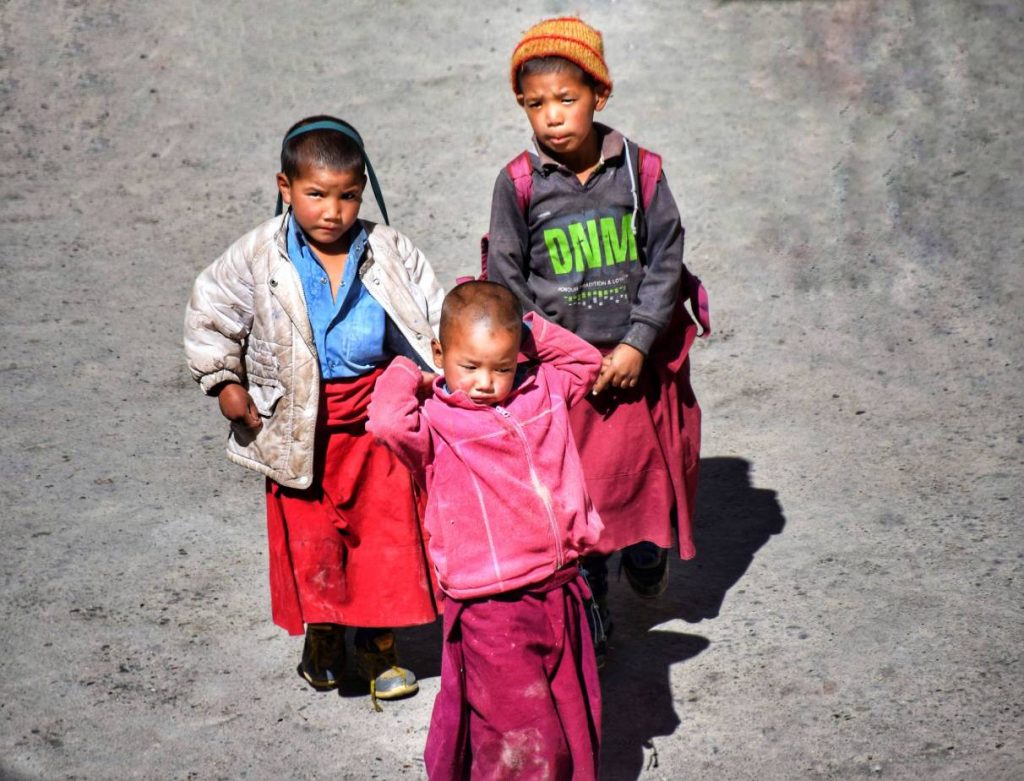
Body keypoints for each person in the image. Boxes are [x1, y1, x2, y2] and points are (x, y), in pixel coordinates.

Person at [184, 115, 444, 707]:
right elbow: (210, 313)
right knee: (315, 543)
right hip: (298, 426)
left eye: (348, 195)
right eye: (316, 194)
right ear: (285, 187)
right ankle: (324, 639)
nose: (333, 210)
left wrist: (444, 379)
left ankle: (379, 649)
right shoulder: (259, 254)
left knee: (384, 540)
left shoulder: (388, 249)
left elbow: (432, 316)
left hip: (375, 425)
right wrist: (224, 381)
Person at [485, 17, 707, 664]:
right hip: (563, 375)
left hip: (635, 365)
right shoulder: (519, 185)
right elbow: (507, 280)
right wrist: (560, 357)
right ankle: (592, 606)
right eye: (535, 105)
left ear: (599, 94)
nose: (552, 117)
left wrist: (638, 342)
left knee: (638, 477)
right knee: (575, 498)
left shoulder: (640, 172)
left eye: (567, 98)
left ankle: (644, 545)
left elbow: (666, 257)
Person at [367, 281, 604, 779]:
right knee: (514, 727)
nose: (484, 382)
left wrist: (528, 329)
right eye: (469, 366)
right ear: (441, 353)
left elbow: (585, 362)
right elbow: (387, 422)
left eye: (501, 366)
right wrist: (410, 370)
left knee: (571, 719)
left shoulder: (543, 393)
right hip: (491, 607)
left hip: (560, 590)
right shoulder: (435, 422)